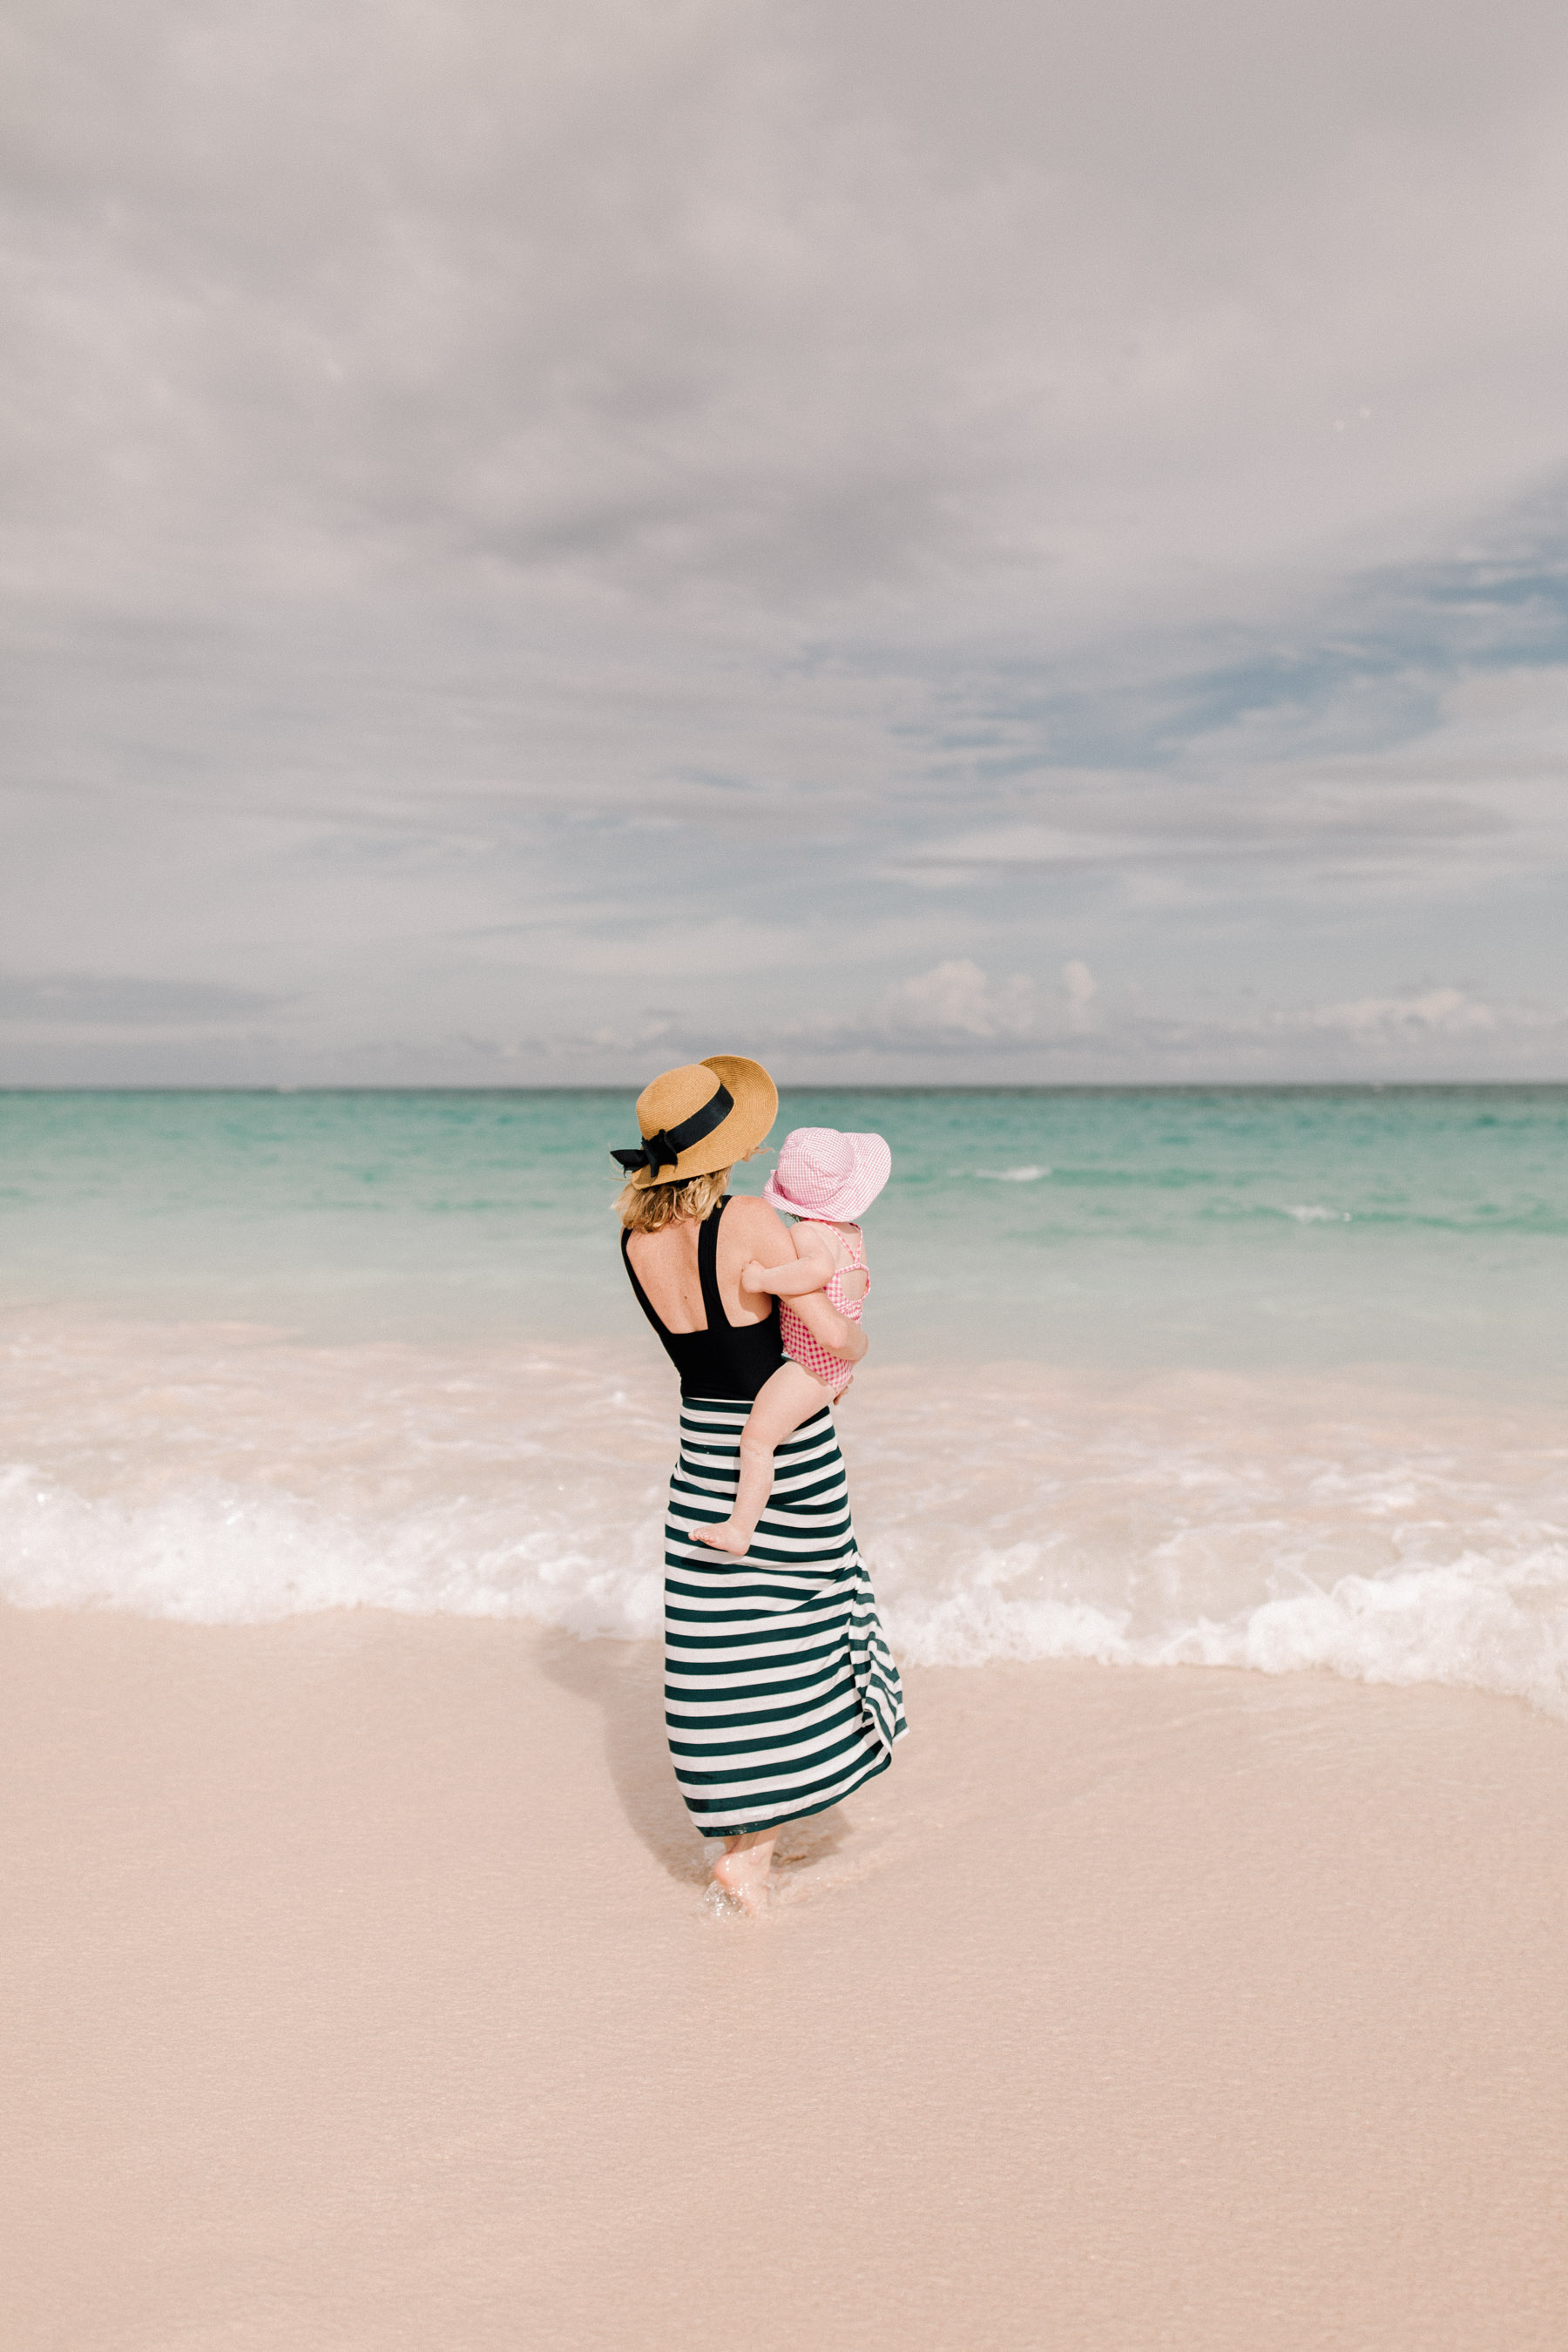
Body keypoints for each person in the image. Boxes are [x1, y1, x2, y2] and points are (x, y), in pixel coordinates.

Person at [614, 1057, 908, 1913]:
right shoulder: (748, 1219)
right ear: (728, 1150)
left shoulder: (635, 1241)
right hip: (786, 1447)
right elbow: (832, 1339)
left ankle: (744, 1833)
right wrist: (858, 1342)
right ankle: (751, 1854)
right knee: (807, 1627)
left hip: (703, 1447)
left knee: (724, 1650)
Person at [697, 1125, 890, 1558]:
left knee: (757, 1440)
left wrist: (763, 1277)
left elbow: (816, 1272)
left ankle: (740, 1528)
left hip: (812, 1364)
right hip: (836, 1364)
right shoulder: (852, 1232)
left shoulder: (807, 1234)